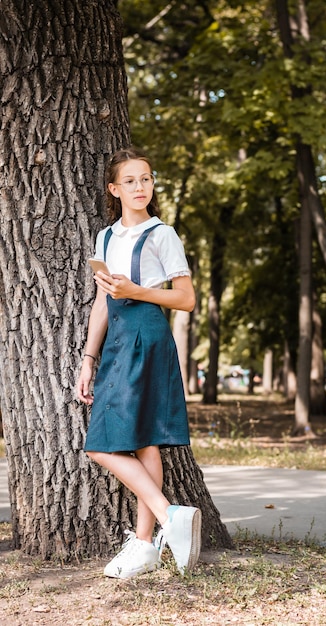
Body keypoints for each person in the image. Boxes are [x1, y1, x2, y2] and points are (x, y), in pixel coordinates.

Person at [77, 147, 201, 579]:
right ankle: (147, 544)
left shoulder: (162, 233)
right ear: (114, 189)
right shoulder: (106, 237)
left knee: (103, 444)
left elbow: (185, 299)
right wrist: (88, 358)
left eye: (146, 178)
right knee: (141, 443)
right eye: (130, 181)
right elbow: (100, 303)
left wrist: (137, 291)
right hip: (116, 338)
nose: (140, 187)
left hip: (147, 333)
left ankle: (169, 518)